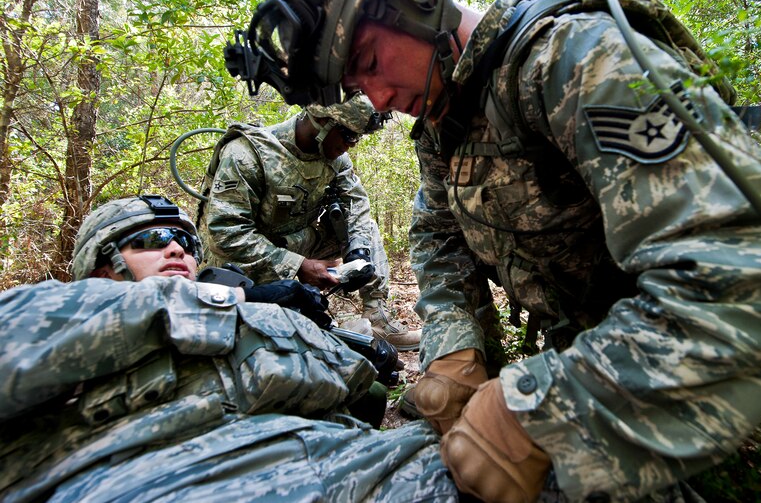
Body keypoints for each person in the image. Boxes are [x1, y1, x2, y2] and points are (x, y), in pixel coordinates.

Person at [245, 0, 761, 502]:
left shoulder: (575, 60)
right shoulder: (444, 128)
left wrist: (540, 412)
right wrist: (456, 350)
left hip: (684, 391)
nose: (378, 99)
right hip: (596, 380)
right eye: (355, 86)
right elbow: (438, 239)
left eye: (369, 61)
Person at [0, 195, 458, 502]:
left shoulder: (247, 319)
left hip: (360, 468)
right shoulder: (50, 310)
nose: (176, 249)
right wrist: (243, 299)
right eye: (153, 240)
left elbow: (357, 393)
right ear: (101, 269)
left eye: (184, 241)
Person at [197, 94, 421, 351]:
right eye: (349, 135)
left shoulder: (335, 160)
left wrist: (358, 253)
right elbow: (225, 234)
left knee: (365, 228)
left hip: (295, 245)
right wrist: (298, 266)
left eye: (358, 137)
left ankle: (378, 319)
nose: (353, 145)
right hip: (239, 266)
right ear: (322, 122)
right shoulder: (246, 154)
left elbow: (356, 205)